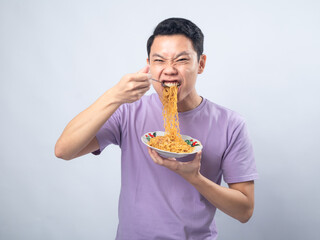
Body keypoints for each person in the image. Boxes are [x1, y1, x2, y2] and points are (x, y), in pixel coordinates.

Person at [55, 17, 258, 240]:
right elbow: (64, 150)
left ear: (200, 64)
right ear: (149, 65)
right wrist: (114, 96)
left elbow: (244, 211)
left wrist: (195, 178)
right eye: (159, 61)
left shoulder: (230, 124)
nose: (169, 70)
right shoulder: (128, 111)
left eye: (181, 60)